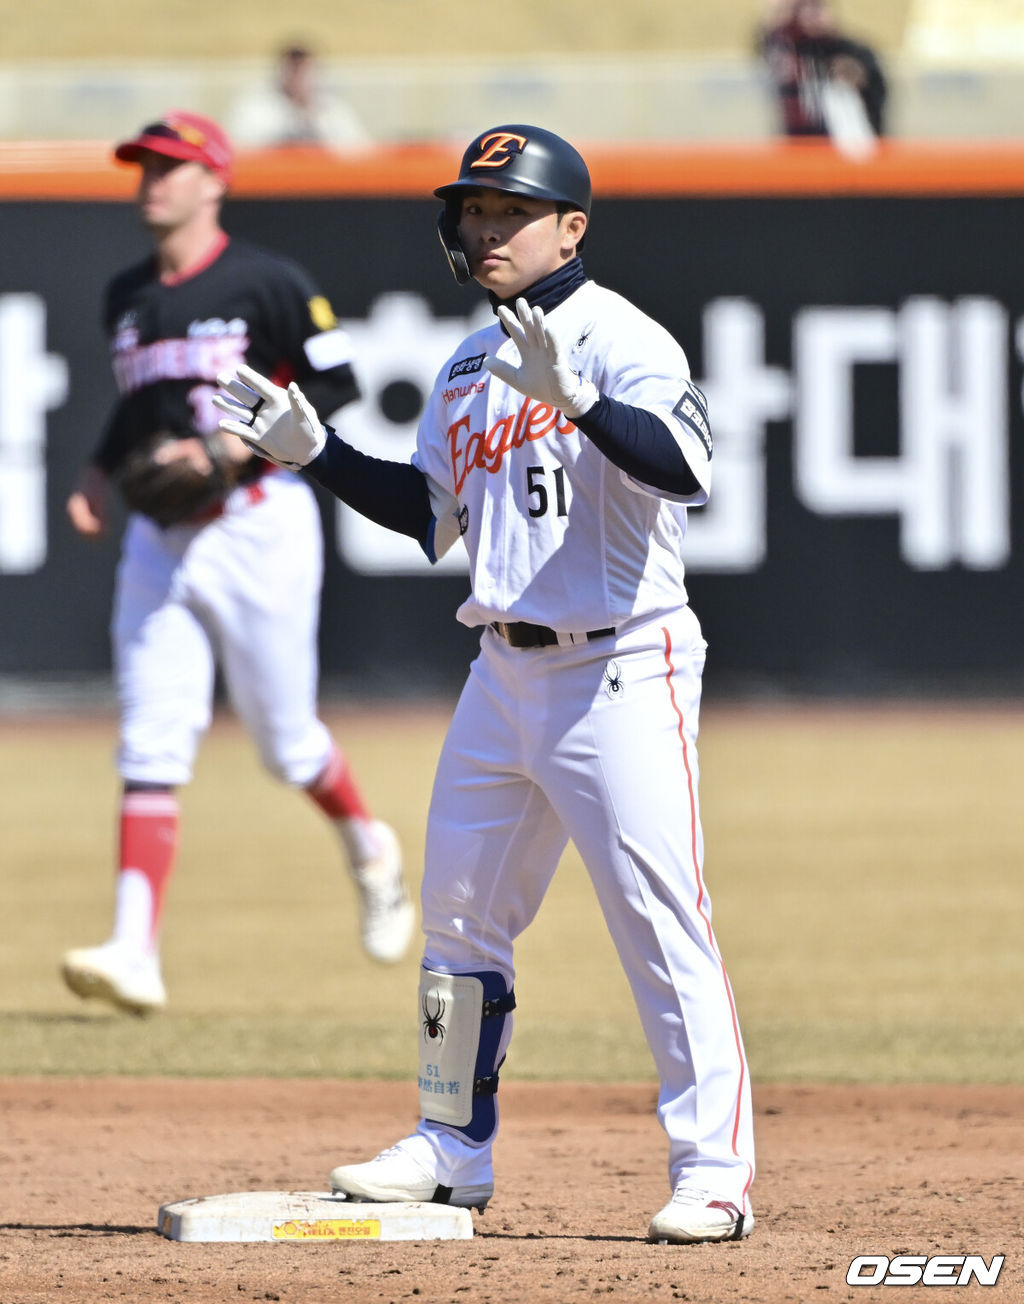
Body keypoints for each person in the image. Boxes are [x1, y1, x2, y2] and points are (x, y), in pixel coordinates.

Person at [214, 124, 755, 1244]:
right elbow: (429, 514)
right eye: (474, 212)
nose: (487, 229)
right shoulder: (466, 364)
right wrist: (316, 454)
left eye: (510, 211)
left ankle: (713, 1171)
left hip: (620, 661)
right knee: (459, 915)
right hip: (500, 670)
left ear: (572, 226)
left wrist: (586, 403)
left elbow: (691, 467)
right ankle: (452, 1146)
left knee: (661, 922)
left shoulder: (623, 336)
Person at [60, 109, 415, 1017]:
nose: (152, 183)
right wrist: (101, 472)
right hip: (159, 538)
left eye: (170, 168)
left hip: (258, 522)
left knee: (285, 739)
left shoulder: (269, 282)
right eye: (143, 167)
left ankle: (371, 847)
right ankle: (133, 949)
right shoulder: (127, 297)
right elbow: (139, 406)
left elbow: (336, 382)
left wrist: (229, 448)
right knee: (151, 734)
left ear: (214, 179)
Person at [756, 0, 888, 145]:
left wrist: (859, 78)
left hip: (848, 145)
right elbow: (767, 41)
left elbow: (878, 94)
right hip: (801, 146)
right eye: (804, 8)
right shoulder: (791, 50)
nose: (812, 14)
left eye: (817, 6)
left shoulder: (854, 51)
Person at [227, 45, 372, 152]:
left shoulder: (332, 109)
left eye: (305, 70)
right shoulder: (256, 107)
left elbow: (359, 151)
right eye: (294, 70)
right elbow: (240, 150)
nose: (299, 78)